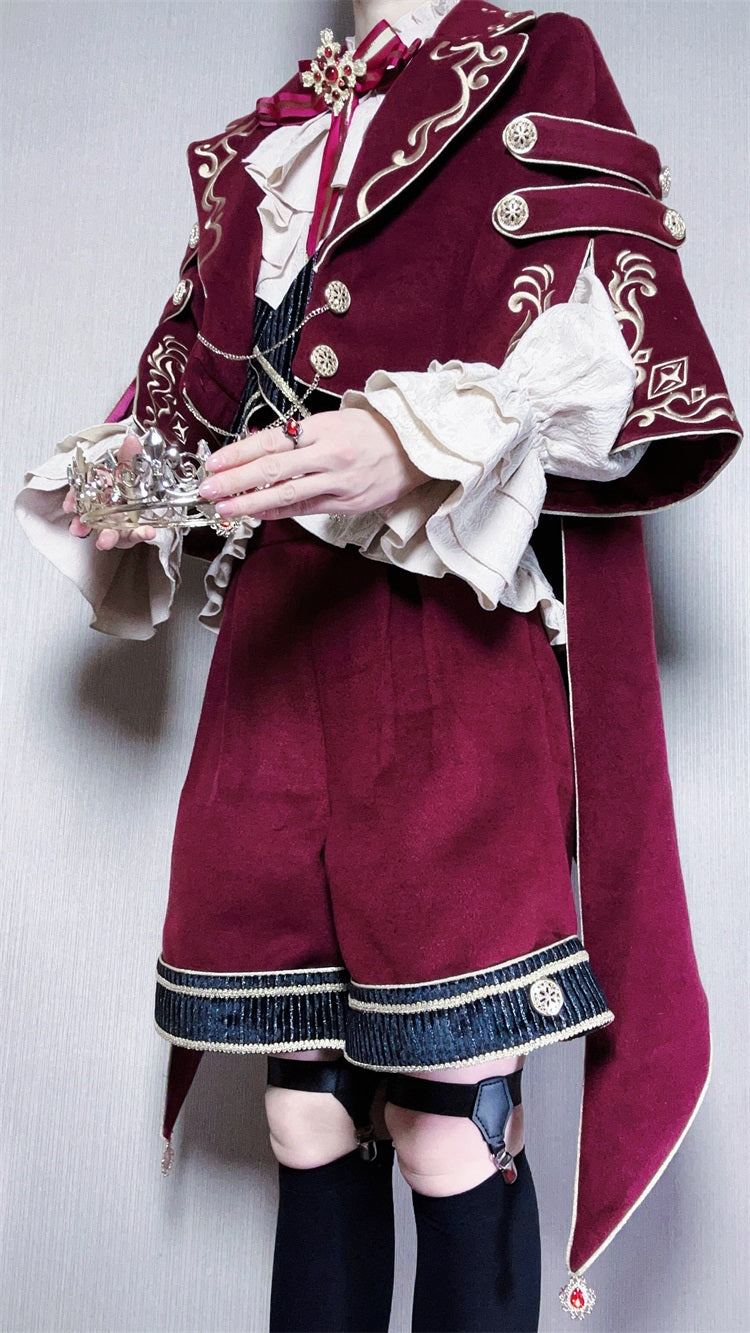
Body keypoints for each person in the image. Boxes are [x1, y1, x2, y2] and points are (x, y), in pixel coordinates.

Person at [16, 1, 741, 1329]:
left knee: (447, 1125)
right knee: (303, 1115)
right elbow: (194, 404)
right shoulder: (278, 133)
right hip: (273, 658)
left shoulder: (540, 58)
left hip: (445, 656)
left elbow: (628, 358)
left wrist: (415, 441)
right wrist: (132, 488)